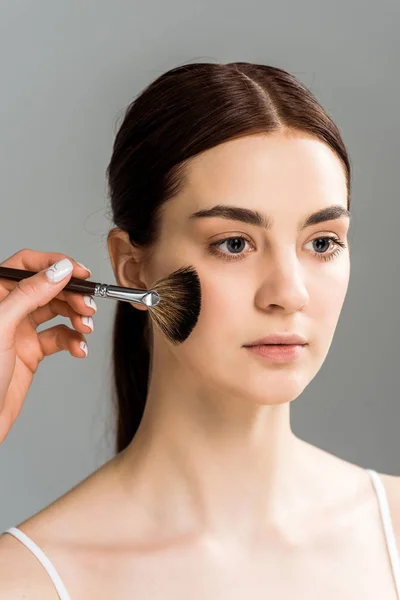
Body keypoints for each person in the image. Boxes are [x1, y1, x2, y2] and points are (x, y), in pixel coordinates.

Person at [0, 61, 399, 599]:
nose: (290, 292)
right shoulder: (28, 580)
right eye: (234, 244)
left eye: (322, 242)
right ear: (132, 267)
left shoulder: (391, 529)